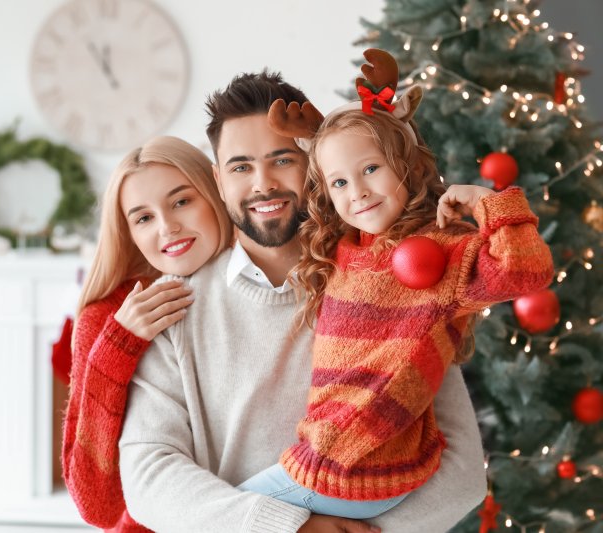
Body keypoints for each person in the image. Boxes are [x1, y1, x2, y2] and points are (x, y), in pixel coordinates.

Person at [118, 70, 490, 533]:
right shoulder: (175, 308)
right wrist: (289, 527)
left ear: (313, 164)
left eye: (281, 160)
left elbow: (465, 471)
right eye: (240, 167)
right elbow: (148, 473)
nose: (262, 184)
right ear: (218, 178)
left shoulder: (391, 282)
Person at [236, 50, 555, 519]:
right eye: (339, 182)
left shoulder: (439, 251)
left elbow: (527, 271)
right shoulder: (345, 251)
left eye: (370, 169)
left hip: (359, 465)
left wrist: (488, 203)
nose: (358, 191)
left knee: (227, 517)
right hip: (336, 459)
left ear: (405, 163)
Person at [61, 136, 233, 531]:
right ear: (129, 233)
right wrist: (115, 348)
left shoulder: (263, 276)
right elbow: (96, 506)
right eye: (143, 218)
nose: (168, 227)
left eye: (181, 201)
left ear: (216, 192)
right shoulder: (107, 316)